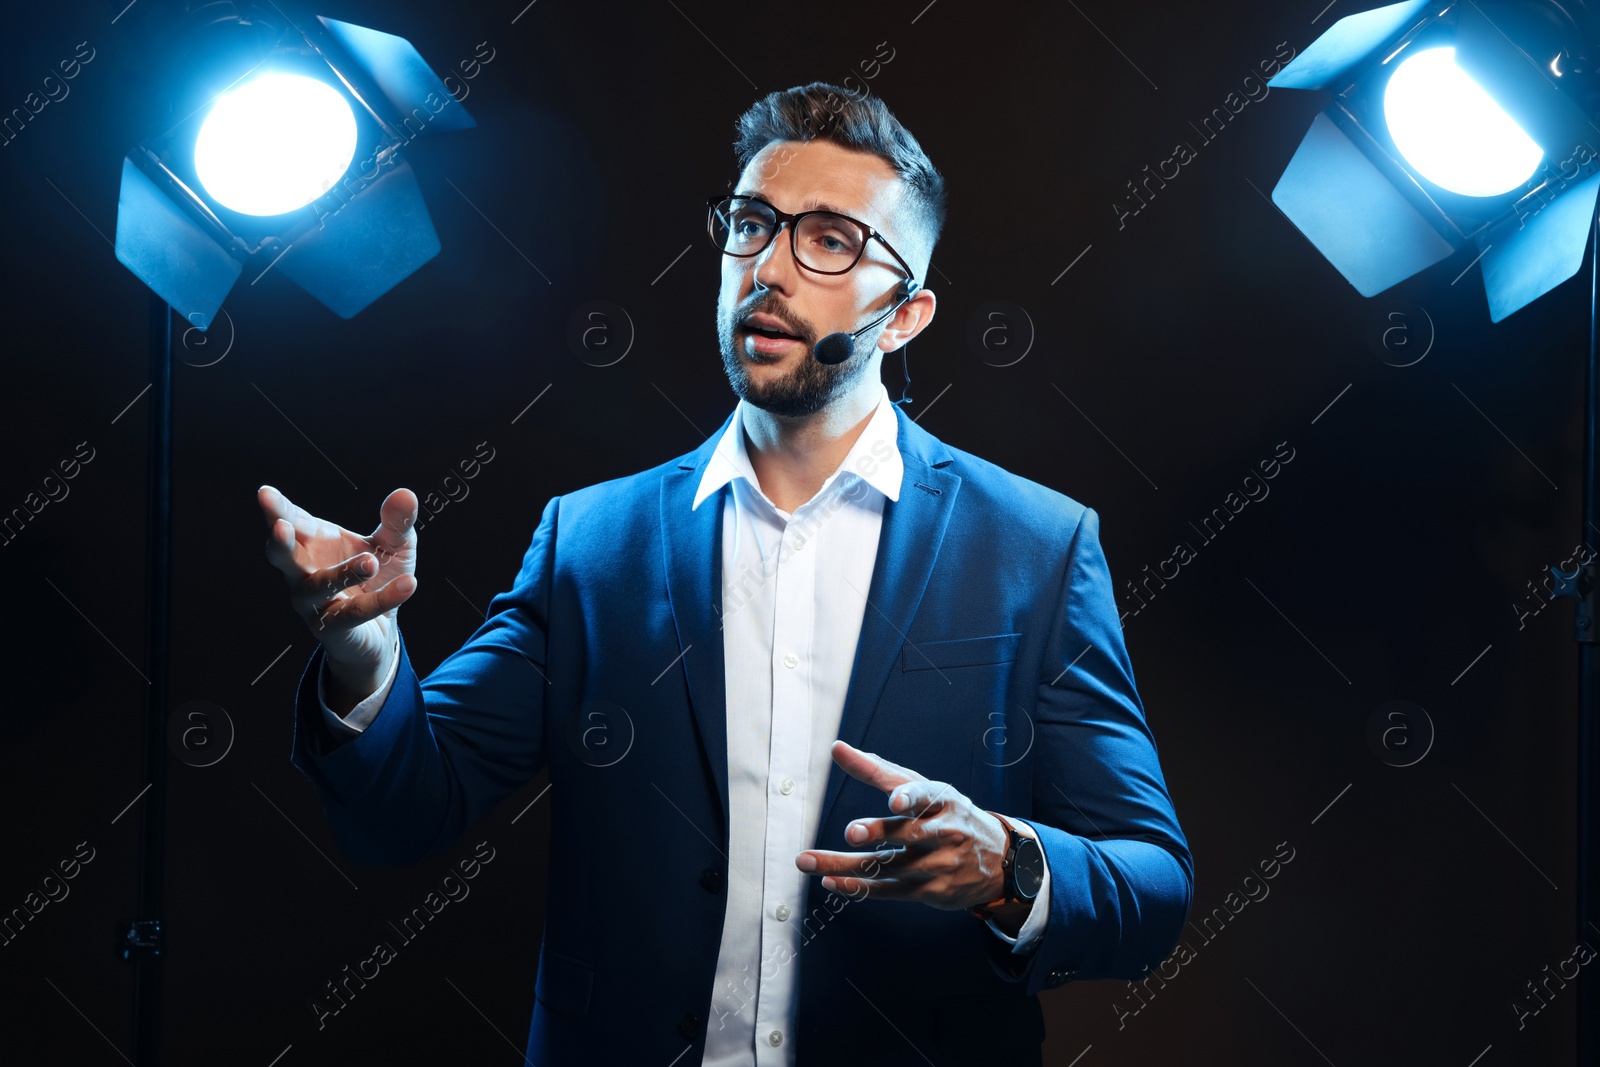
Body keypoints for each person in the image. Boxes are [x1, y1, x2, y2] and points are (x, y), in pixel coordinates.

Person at [258, 81, 1191, 1067]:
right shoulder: (593, 540)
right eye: (751, 224)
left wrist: (1008, 864)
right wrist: (363, 651)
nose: (769, 268)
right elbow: (406, 806)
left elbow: (1151, 888)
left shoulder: (1035, 547)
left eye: (829, 239)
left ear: (907, 312)